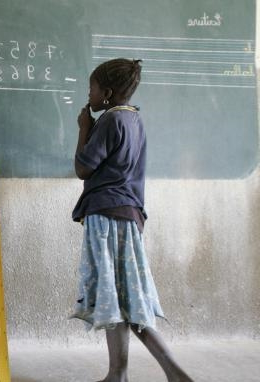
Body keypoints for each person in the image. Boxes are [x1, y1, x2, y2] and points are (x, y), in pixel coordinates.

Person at [71, 58, 193, 382]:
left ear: (107, 93)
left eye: (92, 88)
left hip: (105, 217)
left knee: (115, 299)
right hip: (129, 216)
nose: (89, 94)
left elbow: (83, 167)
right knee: (128, 300)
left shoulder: (109, 121)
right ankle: (132, 373)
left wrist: (84, 128)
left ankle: (129, 373)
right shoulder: (134, 119)